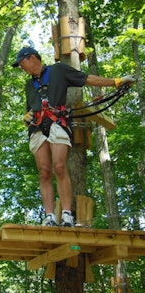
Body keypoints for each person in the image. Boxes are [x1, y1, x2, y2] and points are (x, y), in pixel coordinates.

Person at [12, 47, 135, 227]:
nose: (22, 68)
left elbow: (86, 79)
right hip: (37, 128)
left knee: (60, 167)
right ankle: (49, 217)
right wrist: (27, 117)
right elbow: (30, 109)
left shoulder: (58, 70)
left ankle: (67, 214)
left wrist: (115, 82)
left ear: (32, 58)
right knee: (44, 172)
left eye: (22, 63)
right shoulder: (29, 85)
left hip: (57, 123)